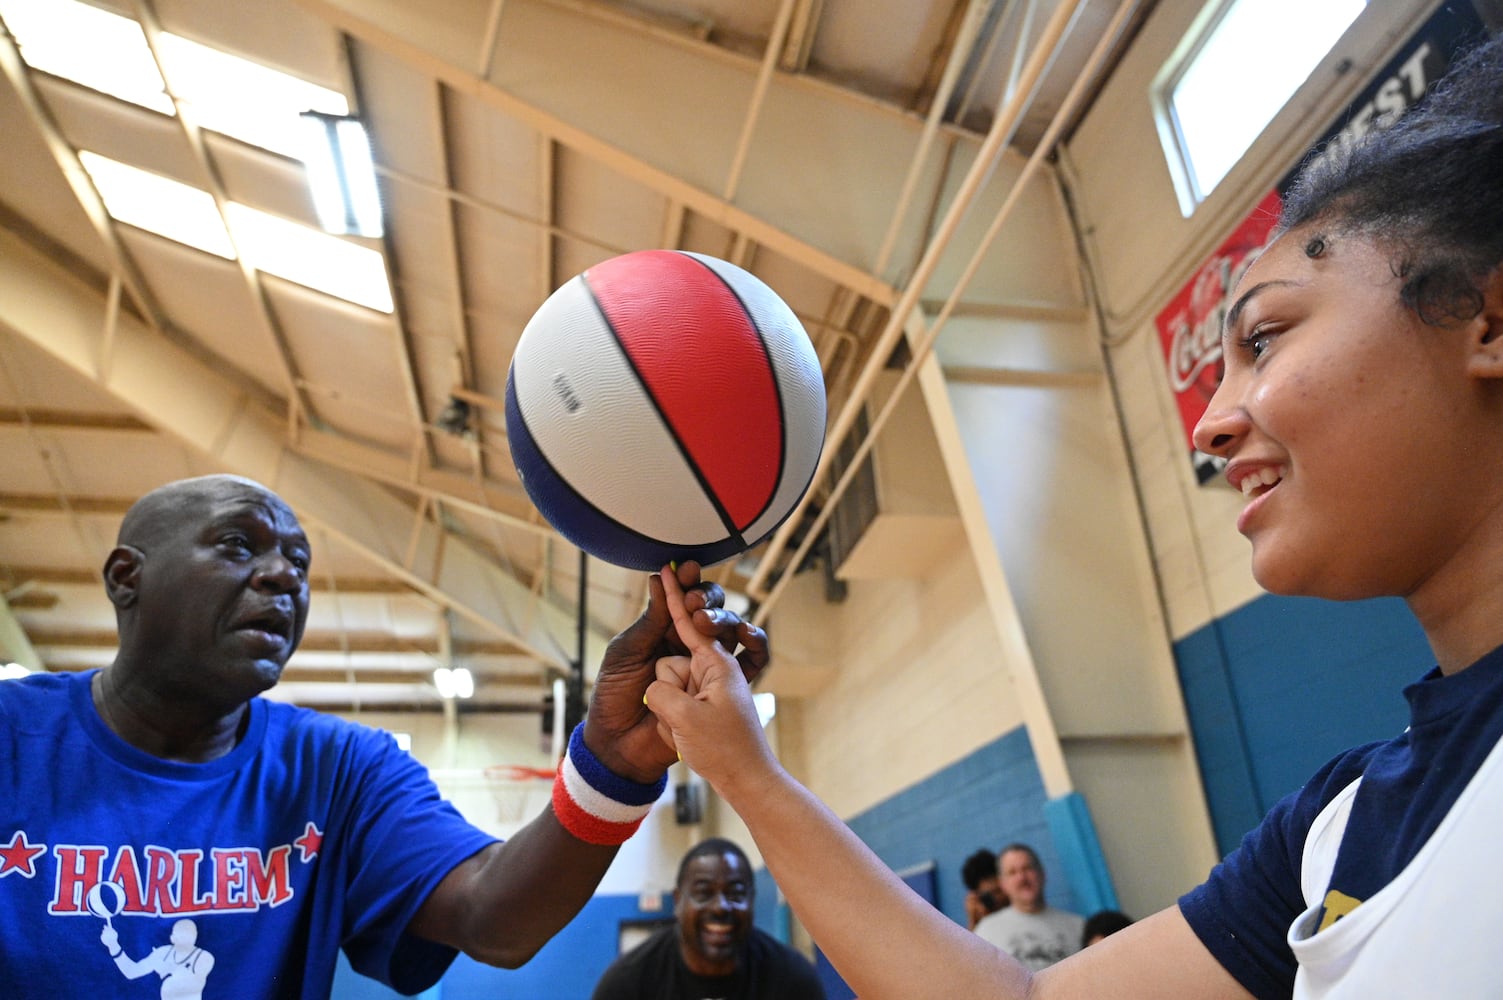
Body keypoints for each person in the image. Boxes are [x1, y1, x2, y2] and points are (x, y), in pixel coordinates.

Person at [641, 31, 1503, 1000]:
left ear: (1487, 321)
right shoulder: (1342, 824)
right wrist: (748, 776)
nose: (1214, 422)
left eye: (1264, 337)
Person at [0, 474, 766, 998]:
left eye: (297, 561)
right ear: (125, 578)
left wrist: (613, 759)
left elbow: (494, 919)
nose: (281, 577)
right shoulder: (14, 740)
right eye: (239, 546)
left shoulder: (338, 770)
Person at [590, 837, 825, 999]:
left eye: (735, 893)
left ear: (752, 900)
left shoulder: (793, 979)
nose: (721, 907)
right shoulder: (628, 983)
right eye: (704, 893)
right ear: (678, 900)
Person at [973, 844, 1083, 970]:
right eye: (1012, 872)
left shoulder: (1078, 927)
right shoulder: (985, 931)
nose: (1022, 878)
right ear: (1003, 884)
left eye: (1027, 868)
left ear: (1042, 874)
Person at [961, 847, 1006, 931]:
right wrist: (973, 919)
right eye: (990, 895)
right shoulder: (984, 926)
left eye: (998, 891)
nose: (997, 899)